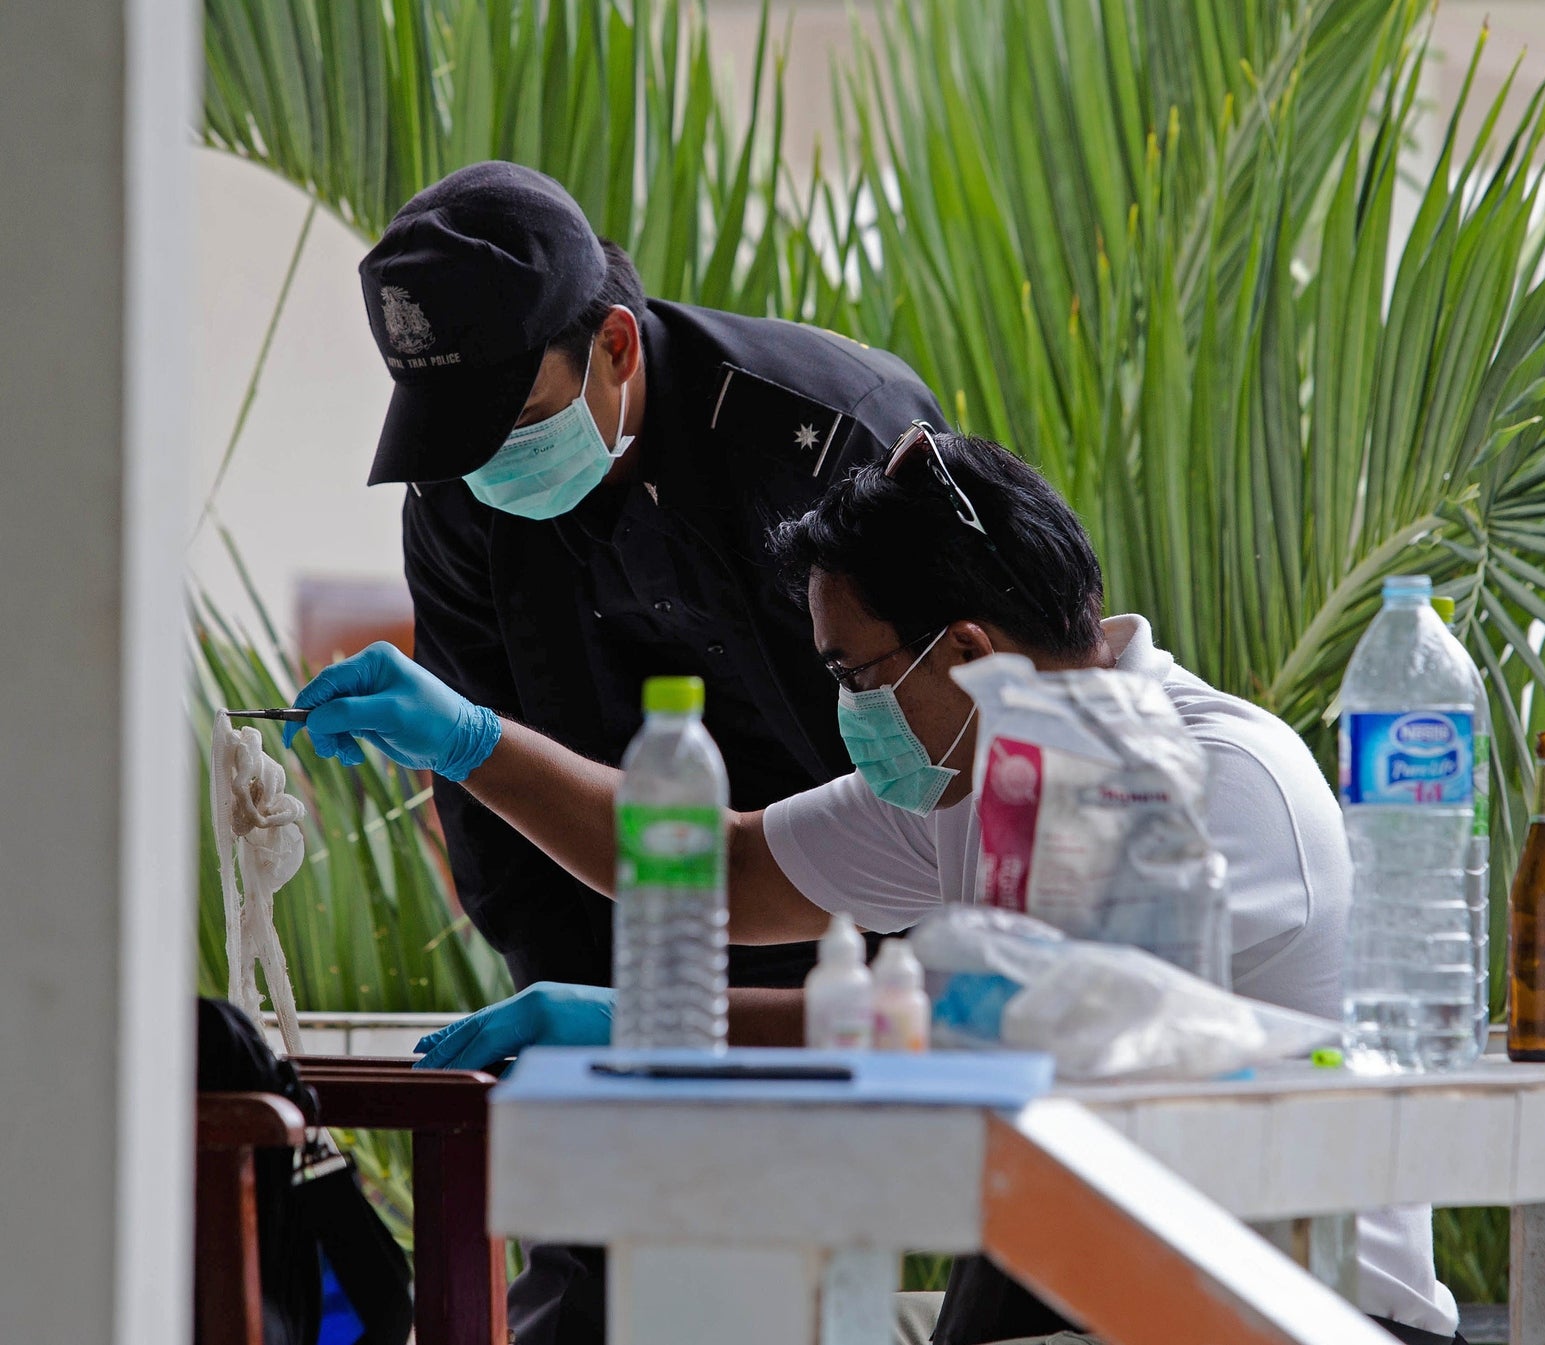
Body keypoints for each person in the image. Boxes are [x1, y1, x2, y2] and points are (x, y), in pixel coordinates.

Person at [291, 427, 1464, 1345]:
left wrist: (664, 1027)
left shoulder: (1202, 784)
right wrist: (466, 740)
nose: (845, 713)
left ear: (962, 651)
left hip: (1295, 1307)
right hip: (1096, 1283)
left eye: (856, 673)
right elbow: (730, 866)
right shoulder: (968, 779)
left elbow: (1012, 1037)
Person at [348, 159, 946, 1342]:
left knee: (793, 1304)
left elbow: (946, 740)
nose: (488, 467)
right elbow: (493, 812)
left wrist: (871, 1018)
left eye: (516, 423)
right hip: (619, 956)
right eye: (459, 440)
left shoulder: (825, 435)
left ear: (616, 347)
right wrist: (579, 1023)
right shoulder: (462, 502)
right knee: (582, 1301)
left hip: (852, 948)